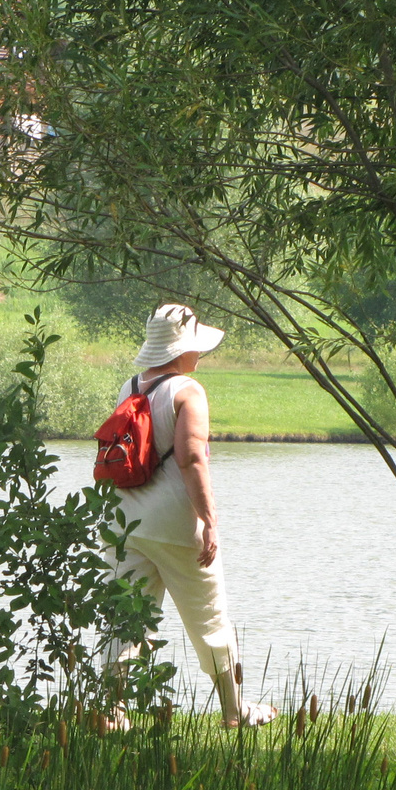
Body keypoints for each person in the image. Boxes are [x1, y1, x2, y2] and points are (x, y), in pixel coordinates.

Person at [103, 304, 277, 727]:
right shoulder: (188, 391)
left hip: (124, 522)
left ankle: (111, 711)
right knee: (210, 620)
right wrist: (209, 521)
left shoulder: (130, 387)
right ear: (181, 351)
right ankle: (235, 713)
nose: (200, 355)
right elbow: (192, 458)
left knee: (127, 619)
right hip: (177, 526)